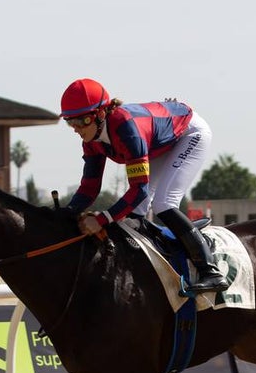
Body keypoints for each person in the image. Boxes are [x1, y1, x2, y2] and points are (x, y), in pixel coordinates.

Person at [59, 78, 228, 294]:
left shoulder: (126, 130)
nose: (75, 129)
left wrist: (102, 219)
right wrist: (65, 214)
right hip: (158, 143)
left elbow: (139, 190)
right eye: (69, 122)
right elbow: (89, 189)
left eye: (81, 121)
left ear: (100, 114)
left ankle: (210, 270)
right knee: (135, 214)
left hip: (189, 133)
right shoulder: (91, 141)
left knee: (163, 203)